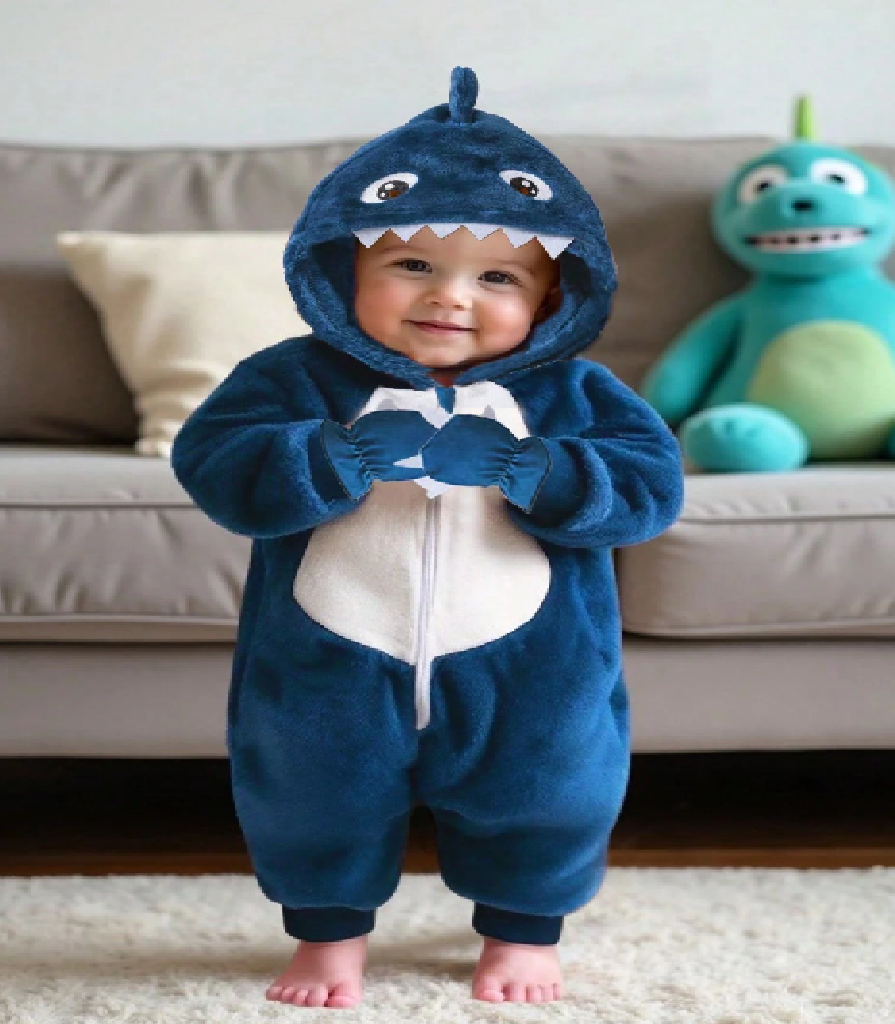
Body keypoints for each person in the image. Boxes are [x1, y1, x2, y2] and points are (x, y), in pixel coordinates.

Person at [170, 66, 684, 1009]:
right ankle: (328, 940)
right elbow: (214, 462)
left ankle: (523, 932)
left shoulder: (576, 395)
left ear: (552, 298)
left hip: (533, 660)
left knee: (551, 783)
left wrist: (543, 471)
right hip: (329, 654)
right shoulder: (293, 378)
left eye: (496, 277)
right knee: (308, 785)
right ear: (343, 272)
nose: (450, 297)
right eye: (413, 265)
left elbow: (650, 491)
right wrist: (334, 455)